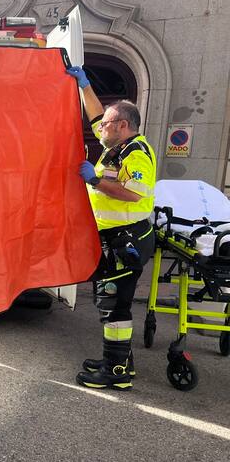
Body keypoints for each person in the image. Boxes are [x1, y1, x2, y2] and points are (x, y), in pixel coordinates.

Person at [67, 66, 157, 390]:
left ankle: (115, 372)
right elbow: (94, 116)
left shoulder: (137, 154)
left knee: (113, 306)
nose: (99, 127)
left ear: (122, 125)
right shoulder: (116, 145)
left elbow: (134, 193)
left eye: (105, 124)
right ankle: (120, 361)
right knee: (112, 302)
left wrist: (96, 180)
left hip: (126, 241)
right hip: (116, 239)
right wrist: (85, 85)